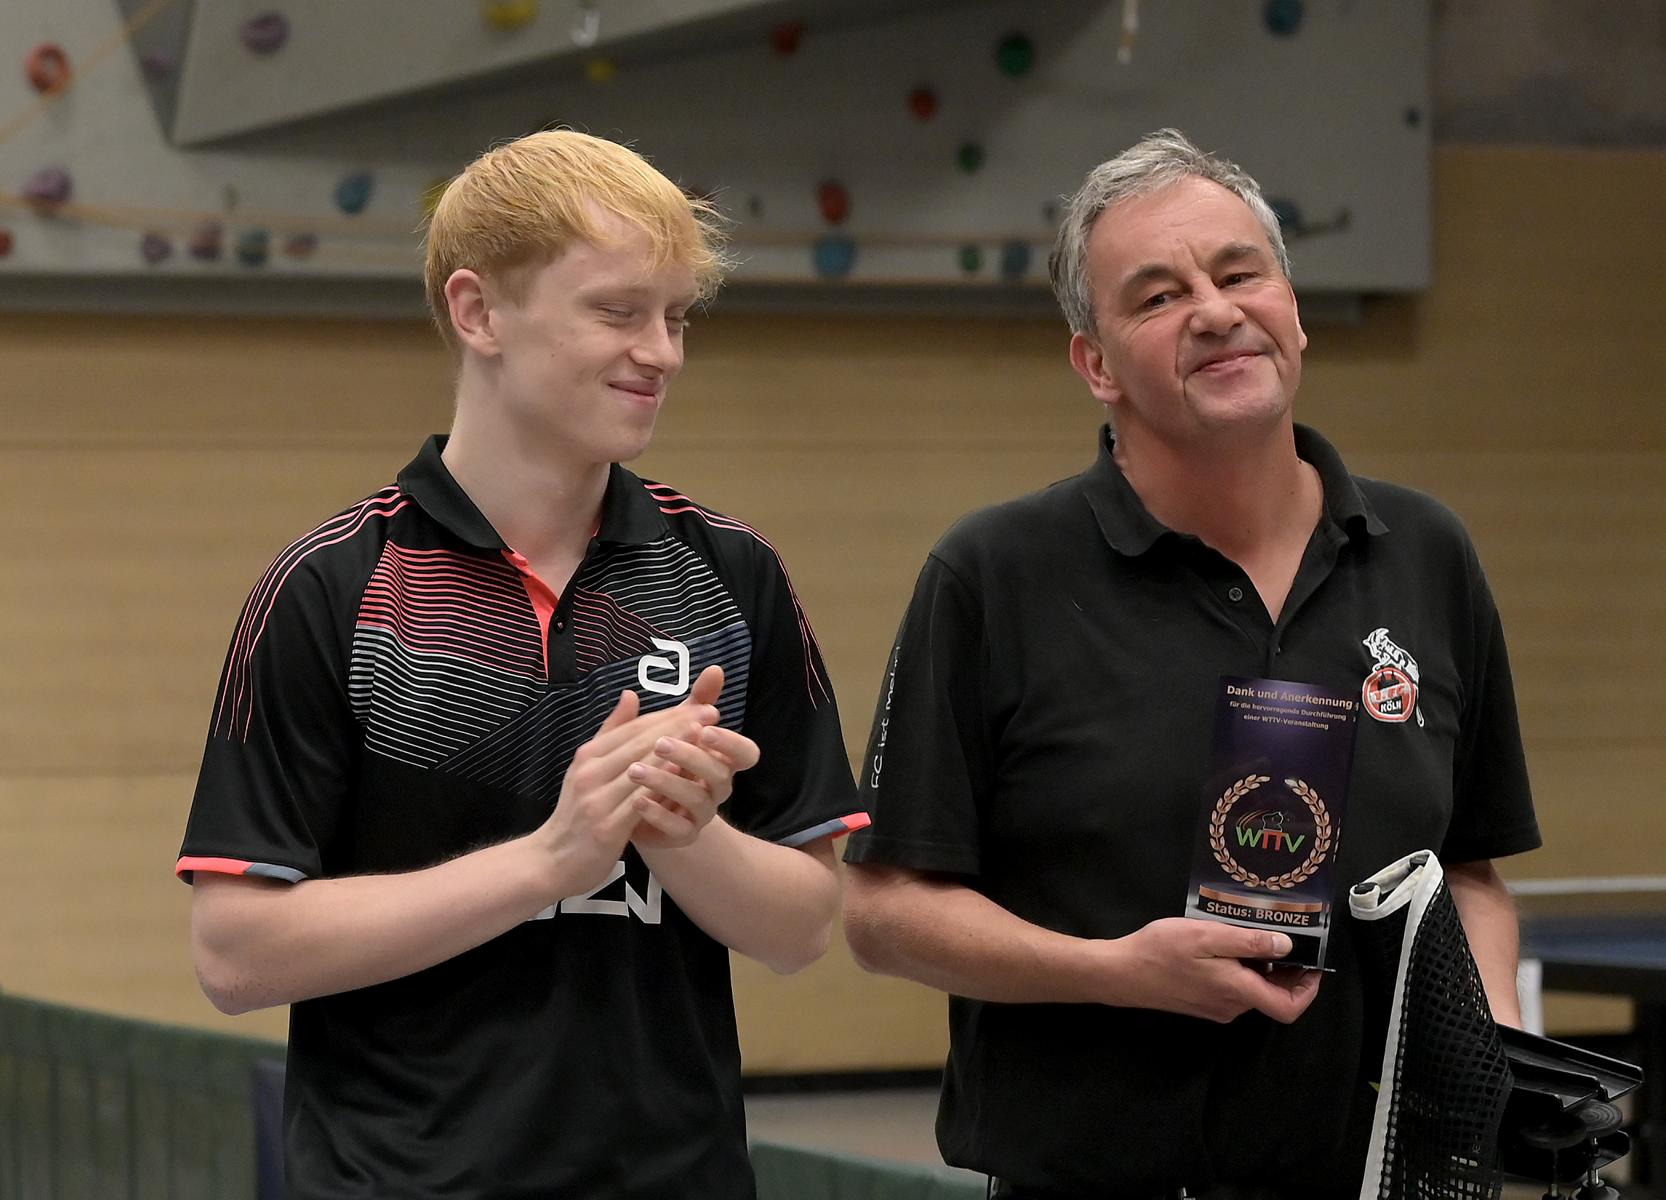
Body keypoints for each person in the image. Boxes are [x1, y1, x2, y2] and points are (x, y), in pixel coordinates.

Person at [841, 128, 1540, 1199]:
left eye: (1238, 273)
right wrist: (1114, 973)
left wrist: (1488, 1063)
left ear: (1292, 308)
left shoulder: (1427, 554)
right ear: (1096, 365)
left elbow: (1472, 874)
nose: (1214, 311)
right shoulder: (993, 575)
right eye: (1158, 296)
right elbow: (884, 913)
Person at [177, 130, 864, 1199]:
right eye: (618, 311)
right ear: (479, 312)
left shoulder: (732, 575)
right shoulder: (331, 587)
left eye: (676, 316)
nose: (662, 353)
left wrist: (682, 833)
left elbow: (804, 926)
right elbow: (236, 954)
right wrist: (549, 861)